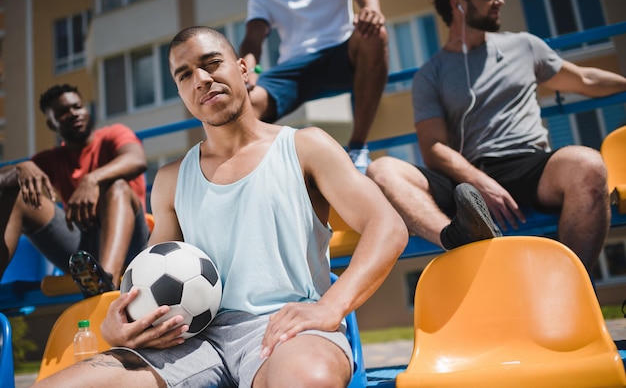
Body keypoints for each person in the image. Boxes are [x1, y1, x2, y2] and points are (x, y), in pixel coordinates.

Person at [32, 27, 501, 388]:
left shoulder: (306, 147)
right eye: (184, 75)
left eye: (211, 63)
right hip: (193, 340)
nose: (201, 79)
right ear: (180, 92)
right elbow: (154, 273)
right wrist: (124, 317)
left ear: (242, 69)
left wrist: (330, 308)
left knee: (307, 380)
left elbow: (387, 227)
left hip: (288, 330)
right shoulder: (172, 179)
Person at [366, 0, 626, 273]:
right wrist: (478, 181)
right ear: (458, 4)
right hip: (465, 181)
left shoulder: (526, 46)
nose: (499, 1)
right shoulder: (430, 74)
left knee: (588, 165)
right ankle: (456, 236)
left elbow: (584, 79)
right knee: (381, 169)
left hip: (529, 166)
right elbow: (433, 147)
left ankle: (568, 287)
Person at [0, 84, 149, 293]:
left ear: (86, 109)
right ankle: (96, 279)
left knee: (116, 186)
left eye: (77, 106)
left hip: (132, 242)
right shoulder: (51, 159)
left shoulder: (113, 134)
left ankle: (103, 287)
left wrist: (93, 179)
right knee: (16, 194)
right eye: (62, 113)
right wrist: (20, 168)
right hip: (83, 248)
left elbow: (137, 159)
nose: (72, 114)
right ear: (51, 124)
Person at [238, 0, 388, 173]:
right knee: (245, 101)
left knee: (375, 34)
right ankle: (261, 169)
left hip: (341, 55)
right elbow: (253, 38)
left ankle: (358, 147)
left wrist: (371, 9)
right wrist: (249, 69)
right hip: (295, 69)